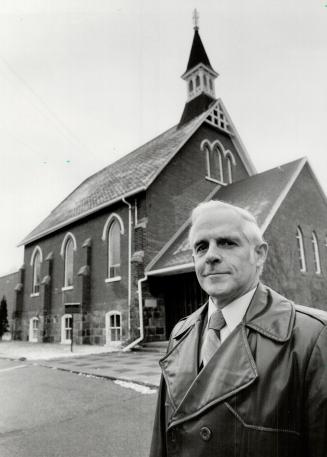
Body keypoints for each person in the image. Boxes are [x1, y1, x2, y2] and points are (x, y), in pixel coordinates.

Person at [149, 200, 327, 457]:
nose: (211, 255)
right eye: (201, 247)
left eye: (227, 243)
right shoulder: (180, 334)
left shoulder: (314, 337)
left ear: (260, 254)